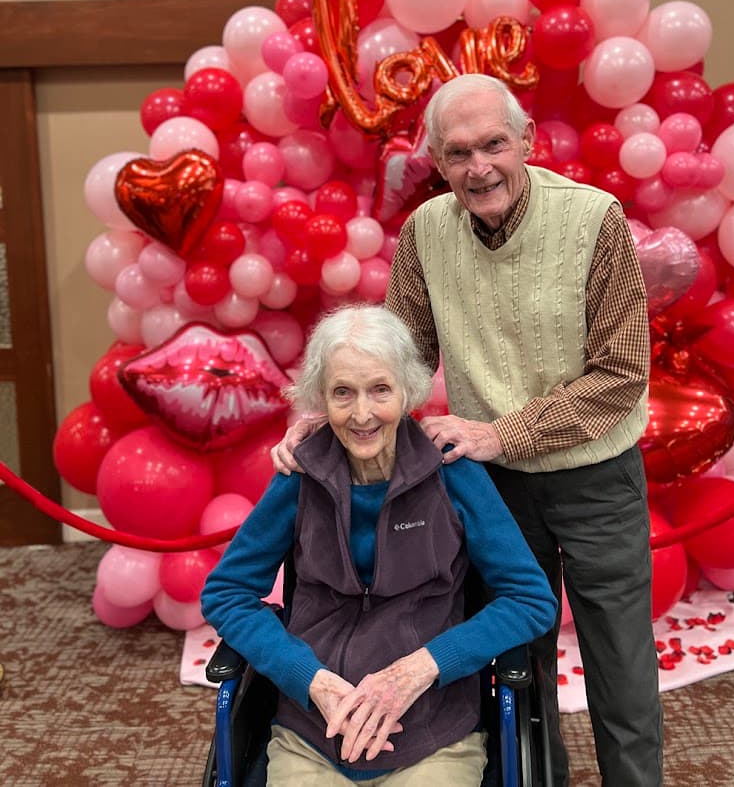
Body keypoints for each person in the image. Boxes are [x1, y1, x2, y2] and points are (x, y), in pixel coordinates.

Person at [273, 73, 663, 786]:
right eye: (458, 153)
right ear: (437, 160)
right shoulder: (425, 232)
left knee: (622, 666)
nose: (479, 167)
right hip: (492, 484)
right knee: (516, 667)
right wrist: (329, 416)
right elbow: (402, 360)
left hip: (596, 476)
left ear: (527, 141)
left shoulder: (594, 219)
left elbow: (620, 374)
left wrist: (502, 433)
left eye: (494, 145)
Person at [202, 303, 557, 785]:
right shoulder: (300, 476)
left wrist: (420, 669)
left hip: (433, 732)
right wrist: (310, 680)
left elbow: (530, 600)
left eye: (380, 390)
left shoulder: (453, 474)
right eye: (342, 393)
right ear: (321, 398)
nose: (362, 413)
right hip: (312, 731)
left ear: (408, 389)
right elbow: (226, 593)